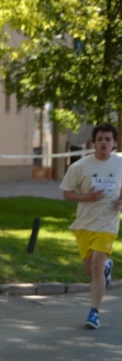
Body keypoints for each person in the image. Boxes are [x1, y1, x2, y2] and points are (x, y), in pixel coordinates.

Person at [61, 122, 122, 329]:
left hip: (108, 222)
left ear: (114, 143)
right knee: (91, 269)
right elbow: (67, 194)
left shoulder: (120, 163)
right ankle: (106, 268)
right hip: (84, 223)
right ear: (94, 143)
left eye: (108, 139)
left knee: (96, 265)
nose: (104, 142)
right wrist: (87, 197)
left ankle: (94, 312)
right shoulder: (79, 167)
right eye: (100, 139)